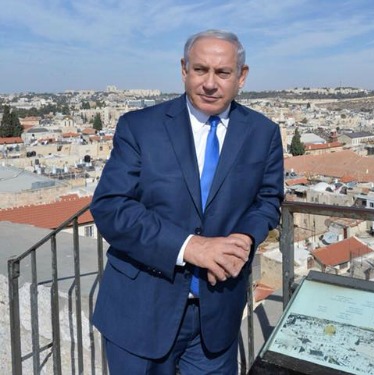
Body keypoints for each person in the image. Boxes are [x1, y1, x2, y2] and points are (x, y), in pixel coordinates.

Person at [90, 29, 284, 374]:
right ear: (184, 70)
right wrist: (191, 247)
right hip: (140, 314)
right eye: (200, 70)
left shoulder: (262, 132)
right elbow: (111, 206)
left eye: (222, 73)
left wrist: (247, 238)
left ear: (242, 76)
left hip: (217, 318)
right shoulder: (140, 127)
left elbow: (268, 199)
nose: (210, 83)